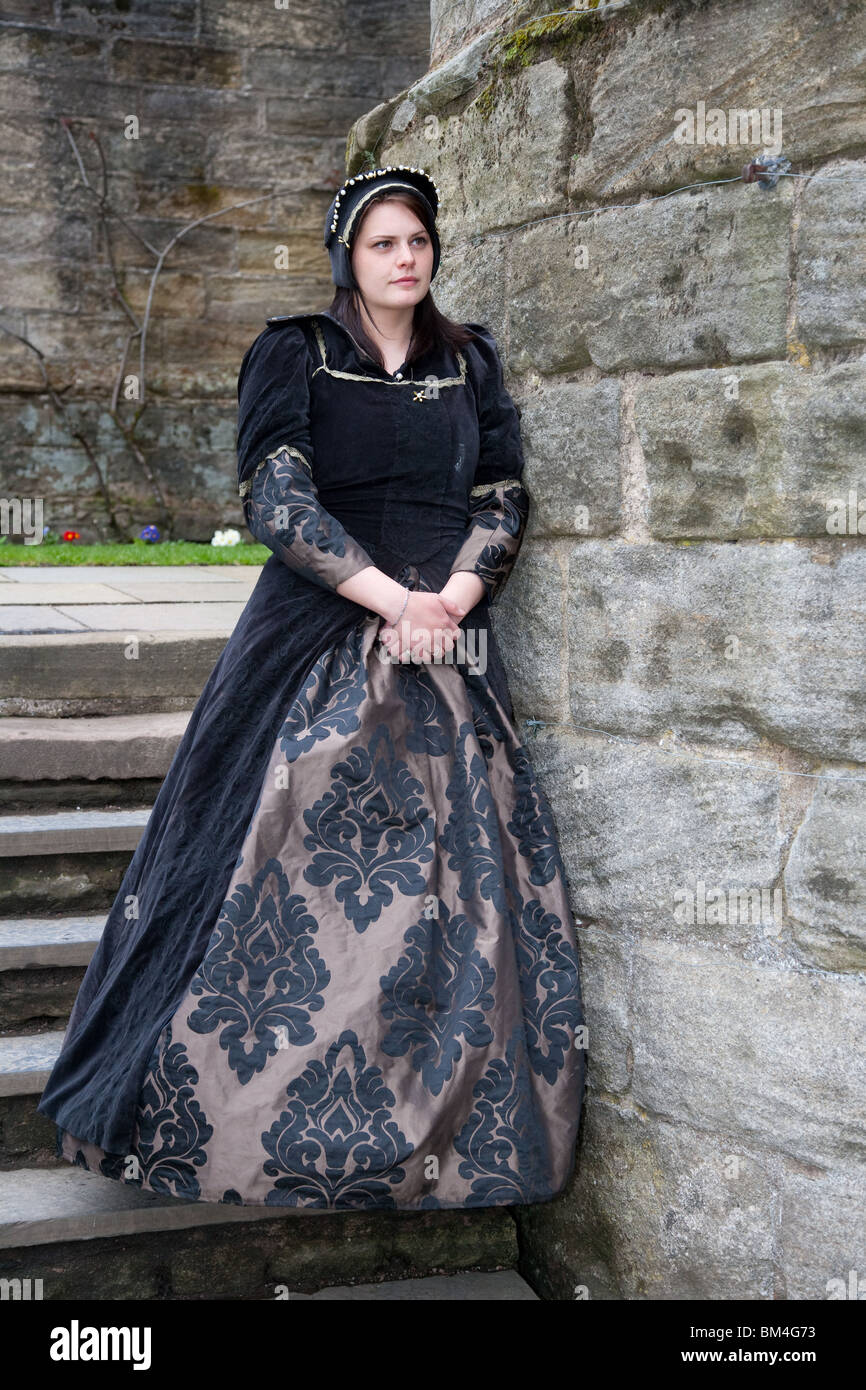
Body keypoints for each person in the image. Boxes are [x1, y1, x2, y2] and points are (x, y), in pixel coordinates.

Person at [37, 164, 587, 1211]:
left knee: (459, 887)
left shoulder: (468, 362)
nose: (405, 258)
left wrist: (458, 594)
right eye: (382, 243)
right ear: (349, 257)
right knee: (256, 864)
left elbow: (502, 489)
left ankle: (442, 1141)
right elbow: (278, 496)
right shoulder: (297, 350)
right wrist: (393, 601)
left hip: (449, 634)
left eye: (417, 240)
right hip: (320, 619)